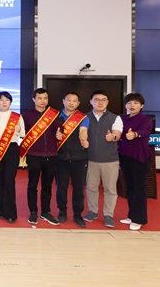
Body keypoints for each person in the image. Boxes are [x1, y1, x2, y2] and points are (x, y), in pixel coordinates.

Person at [20, 88, 63, 226]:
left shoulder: (54, 114)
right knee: (32, 185)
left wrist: (60, 133)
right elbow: (22, 133)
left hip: (51, 155)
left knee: (47, 186)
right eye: (39, 98)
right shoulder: (27, 115)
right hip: (34, 155)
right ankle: (33, 212)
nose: (43, 101)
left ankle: (46, 212)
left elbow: (60, 128)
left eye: (45, 98)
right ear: (34, 99)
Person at [84, 90, 123, 228]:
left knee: (110, 189)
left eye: (103, 100)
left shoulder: (115, 118)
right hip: (90, 159)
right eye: (97, 99)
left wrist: (113, 137)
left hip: (110, 160)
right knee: (91, 187)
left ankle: (108, 215)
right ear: (91, 102)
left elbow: (117, 133)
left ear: (107, 102)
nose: (100, 102)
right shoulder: (84, 117)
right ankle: (92, 211)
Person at [118, 93, 153, 231]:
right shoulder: (122, 119)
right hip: (125, 156)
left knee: (139, 189)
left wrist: (135, 134)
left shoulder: (146, 120)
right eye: (129, 103)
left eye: (135, 103)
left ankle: (138, 219)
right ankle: (132, 215)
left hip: (139, 157)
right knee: (130, 187)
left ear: (141, 105)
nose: (132, 105)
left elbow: (145, 131)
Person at [54, 92, 89, 228]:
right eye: (69, 100)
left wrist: (83, 139)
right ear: (63, 101)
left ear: (78, 103)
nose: (71, 103)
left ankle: (77, 214)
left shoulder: (83, 118)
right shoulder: (56, 116)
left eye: (74, 101)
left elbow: (83, 130)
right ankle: (62, 211)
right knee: (61, 187)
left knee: (78, 188)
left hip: (79, 158)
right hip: (61, 158)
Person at [0, 91, 24, 224]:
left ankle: (10, 213)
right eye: (1, 100)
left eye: (7, 100)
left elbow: (23, 134)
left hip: (12, 149)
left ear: (10, 102)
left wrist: (18, 130)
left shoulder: (17, 117)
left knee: (9, 181)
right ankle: (1, 210)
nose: (4, 102)